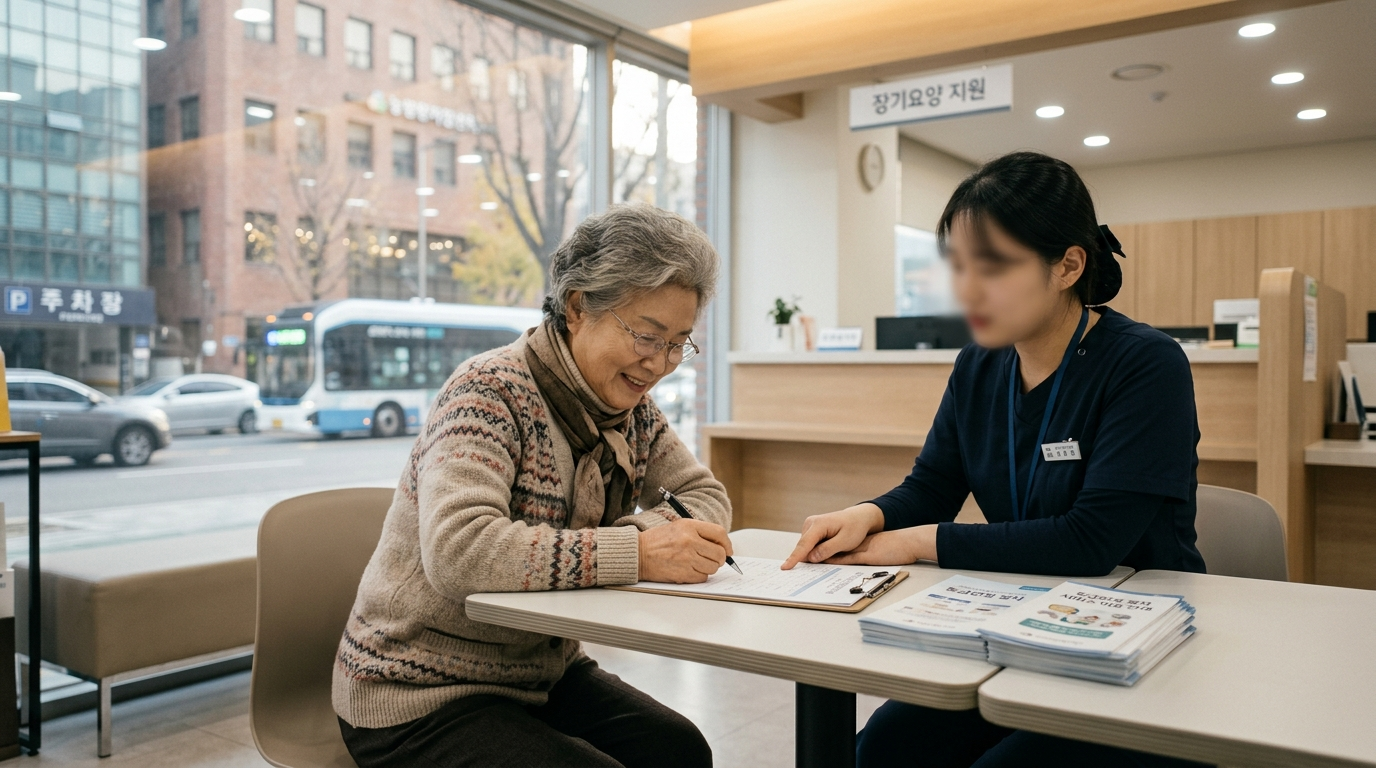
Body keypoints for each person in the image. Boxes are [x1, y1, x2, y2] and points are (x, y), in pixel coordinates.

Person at [782, 152, 1210, 768]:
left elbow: (1091, 542)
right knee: (884, 746)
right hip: (1018, 625)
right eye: (957, 266)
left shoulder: (1146, 364)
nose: (967, 290)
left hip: (1138, 643)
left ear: (1067, 265)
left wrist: (914, 542)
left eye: (993, 267)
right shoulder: (980, 365)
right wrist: (870, 515)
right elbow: (932, 484)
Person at [333, 204, 731, 768]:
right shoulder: (488, 392)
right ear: (577, 308)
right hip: (415, 690)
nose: (660, 363)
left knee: (679, 750)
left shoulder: (633, 412)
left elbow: (706, 499)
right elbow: (460, 552)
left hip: (539, 673)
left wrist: (650, 535)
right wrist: (637, 551)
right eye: (647, 335)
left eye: (679, 342)